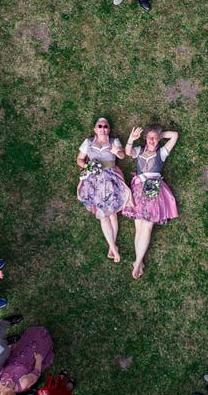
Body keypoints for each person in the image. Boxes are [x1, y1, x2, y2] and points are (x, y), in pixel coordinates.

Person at [122, 125, 179, 280]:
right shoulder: (139, 150)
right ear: (145, 138)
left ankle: (138, 261)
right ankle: (138, 262)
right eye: (149, 137)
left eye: (155, 138)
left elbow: (174, 135)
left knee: (146, 227)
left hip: (152, 190)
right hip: (138, 190)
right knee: (138, 227)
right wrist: (131, 139)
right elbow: (128, 152)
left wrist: (160, 134)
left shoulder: (162, 152)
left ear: (159, 140)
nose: (152, 140)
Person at [76, 118, 132, 263]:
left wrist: (117, 151)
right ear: (95, 129)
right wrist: (87, 166)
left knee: (113, 215)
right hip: (94, 182)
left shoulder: (114, 141)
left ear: (108, 129)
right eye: (99, 126)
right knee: (103, 215)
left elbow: (121, 155)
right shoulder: (88, 142)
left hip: (111, 179)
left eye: (105, 126)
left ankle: (111, 247)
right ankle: (113, 248)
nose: (102, 128)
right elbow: (80, 160)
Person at [0, 325, 55, 395]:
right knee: (41, 334)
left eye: (4, 384)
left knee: (27, 338)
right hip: (31, 357)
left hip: (18, 353)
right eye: (8, 386)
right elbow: (37, 372)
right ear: (13, 393)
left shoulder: (0, 387)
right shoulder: (24, 383)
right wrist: (38, 359)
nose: (7, 382)